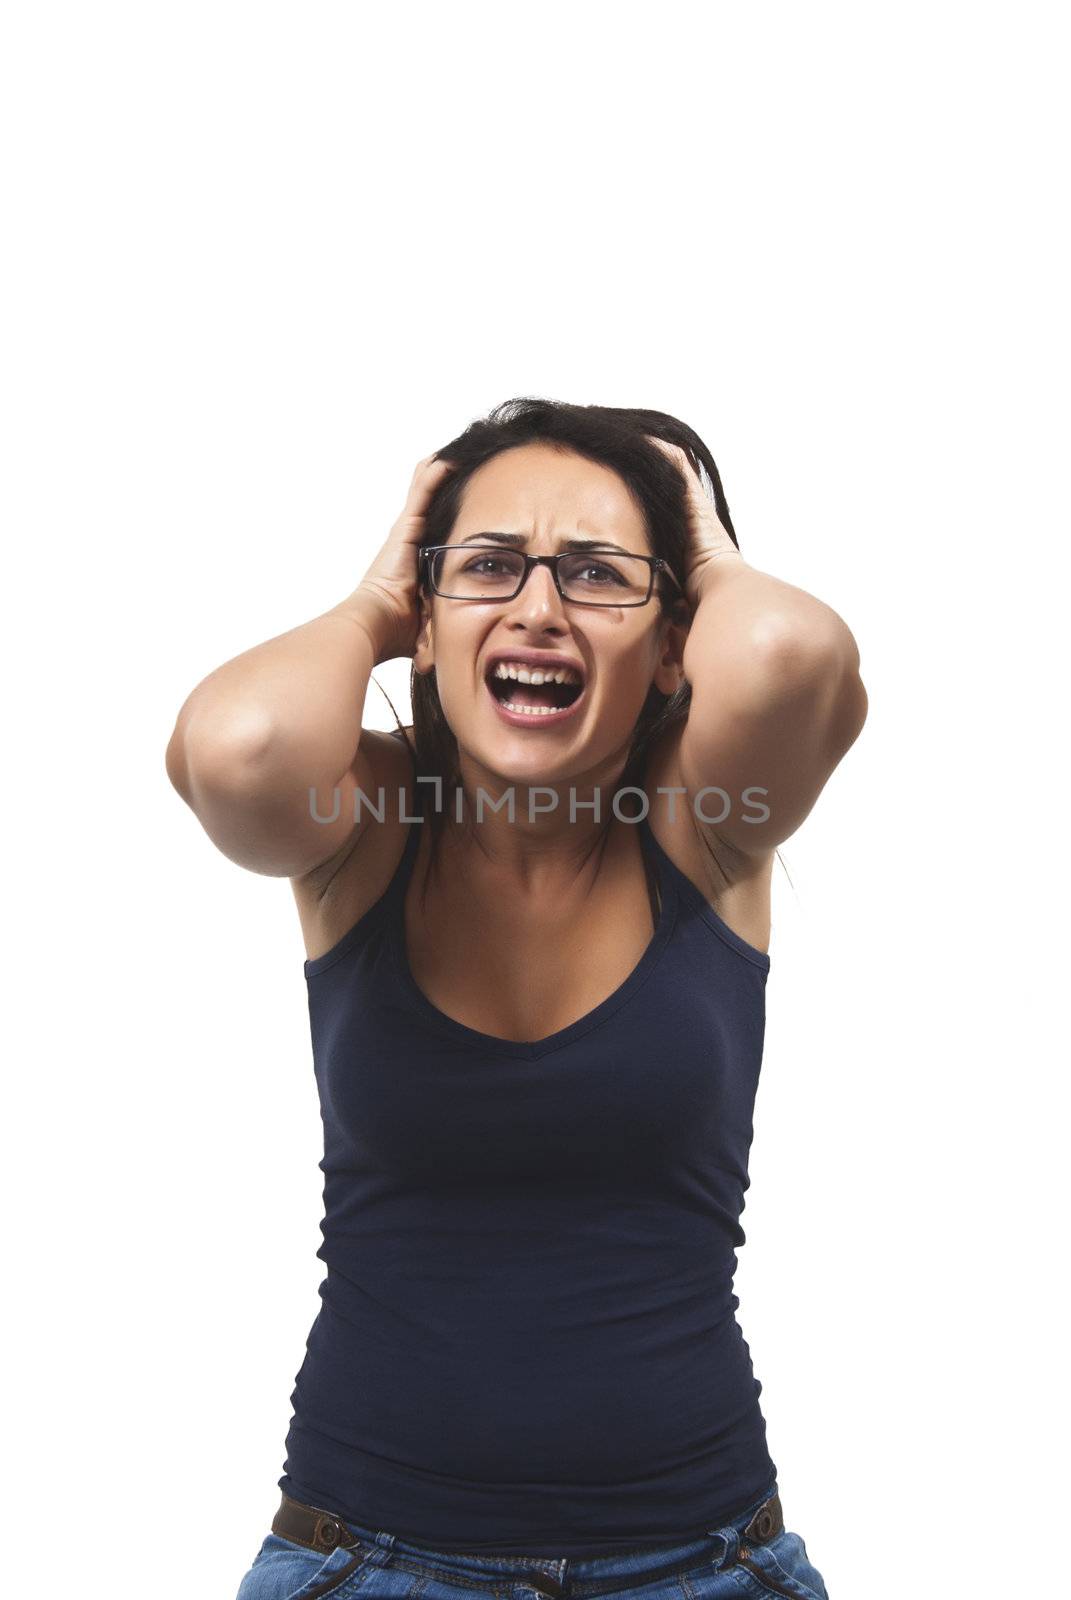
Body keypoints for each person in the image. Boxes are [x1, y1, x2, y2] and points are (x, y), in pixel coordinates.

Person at [166, 397, 866, 1600]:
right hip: (370, 1558)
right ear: (426, 625)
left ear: (673, 645)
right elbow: (236, 747)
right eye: (490, 567)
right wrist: (375, 603)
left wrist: (706, 553)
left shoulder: (708, 829)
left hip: (702, 1562)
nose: (538, 607)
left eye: (598, 575)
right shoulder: (367, 828)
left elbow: (793, 657)